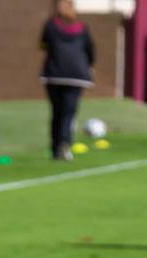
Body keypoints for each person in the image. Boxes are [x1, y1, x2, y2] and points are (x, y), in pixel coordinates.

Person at [39, 0, 94, 161]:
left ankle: (56, 148)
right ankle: (65, 143)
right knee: (68, 113)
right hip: (76, 76)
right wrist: (88, 66)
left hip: (55, 74)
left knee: (57, 112)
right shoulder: (82, 28)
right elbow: (90, 51)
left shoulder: (50, 26)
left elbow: (43, 45)